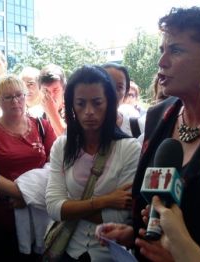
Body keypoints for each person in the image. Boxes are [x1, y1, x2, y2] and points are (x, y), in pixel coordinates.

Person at [96, 6, 200, 262]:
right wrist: (134, 234)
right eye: (162, 50)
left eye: (176, 50)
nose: (161, 62)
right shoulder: (158, 115)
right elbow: (148, 201)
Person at [45, 65, 141, 261]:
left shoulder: (129, 148)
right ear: (71, 105)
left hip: (109, 254)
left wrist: (70, 207)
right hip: (67, 249)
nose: (89, 112)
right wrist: (106, 201)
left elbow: (120, 218)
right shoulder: (62, 146)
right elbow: (54, 207)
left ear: (109, 102)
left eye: (97, 103)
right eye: (80, 103)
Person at [0, 75, 56, 261]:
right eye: (8, 97)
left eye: (19, 95)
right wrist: (24, 194)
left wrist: (26, 197)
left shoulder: (42, 126)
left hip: (39, 214)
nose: (15, 101)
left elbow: (56, 167)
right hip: (3, 216)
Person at [102, 63, 144, 138]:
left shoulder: (138, 128)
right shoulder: (81, 129)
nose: (112, 92)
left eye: (119, 87)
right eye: (107, 85)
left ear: (126, 92)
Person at [39, 64, 66, 136]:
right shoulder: (36, 116)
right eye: (45, 91)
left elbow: (69, 140)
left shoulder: (74, 112)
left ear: (63, 90)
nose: (51, 96)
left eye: (55, 90)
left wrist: (52, 113)